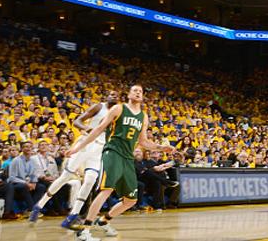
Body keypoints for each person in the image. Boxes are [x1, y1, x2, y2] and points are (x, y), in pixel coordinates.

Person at [66, 85, 175, 241]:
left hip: (127, 157)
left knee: (131, 200)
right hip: (112, 152)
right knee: (106, 190)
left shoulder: (143, 116)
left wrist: (160, 147)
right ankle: (84, 230)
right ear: (129, 94)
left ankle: (103, 221)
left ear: (143, 97)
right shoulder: (118, 109)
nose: (138, 92)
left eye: (141, 91)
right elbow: (98, 129)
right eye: (135, 90)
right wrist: (78, 147)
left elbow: (143, 141)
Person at [29, 90, 119, 227]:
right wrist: (89, 130)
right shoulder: (98, 107)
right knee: (65, 176)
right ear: (106, 96)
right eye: (112, 94)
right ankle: (38, 206)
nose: (114, 96)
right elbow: (77, 121)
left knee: (90, 181)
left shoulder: (117, 115)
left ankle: (73, 215)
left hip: (99, 148)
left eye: (117, 96)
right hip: (85, 143)